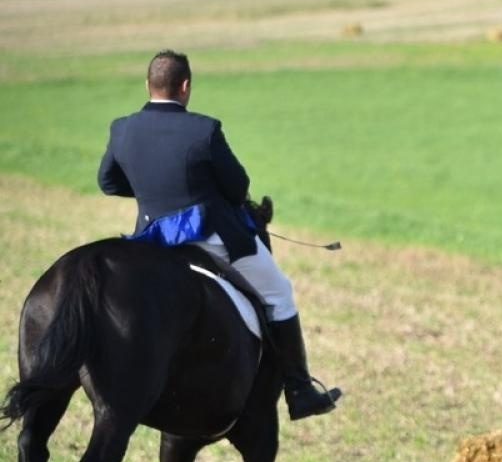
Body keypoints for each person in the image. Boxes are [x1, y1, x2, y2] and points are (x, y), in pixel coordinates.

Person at [97, 50, 341, 421]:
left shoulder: (122, 128)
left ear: (148, 86)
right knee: (279, 293)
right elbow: (237, 186)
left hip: (151, 243)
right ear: (186, 87)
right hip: (211, 238)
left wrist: (154, 191)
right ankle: (299, 390)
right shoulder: (204, 129)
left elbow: (108, 182)